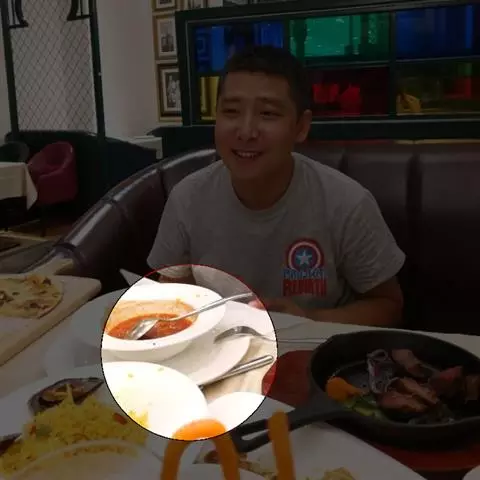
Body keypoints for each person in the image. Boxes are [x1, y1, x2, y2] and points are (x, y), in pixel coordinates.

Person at [147, 45, 405, 327]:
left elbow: (388, 305)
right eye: (231, 111)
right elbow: (171, 297)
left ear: (301, 127)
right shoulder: (187, 198)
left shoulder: (347, 203)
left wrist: (306, 320)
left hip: (315, 349)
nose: (246, 131)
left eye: (268, 114)